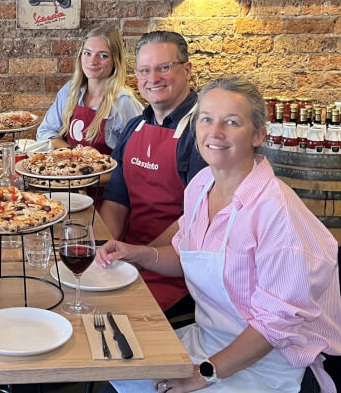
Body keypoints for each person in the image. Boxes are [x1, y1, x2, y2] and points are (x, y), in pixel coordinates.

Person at [97, 76, 341, 393]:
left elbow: (274, 326)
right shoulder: (201, 185)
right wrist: (137, 253)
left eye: (232, 122)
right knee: (114, 377)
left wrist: (203, 375)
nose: (215, 132)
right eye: (206, 119)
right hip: (209, 339)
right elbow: (186, 256)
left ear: (258, 134)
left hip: (271, 364)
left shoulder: (278, 214)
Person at [100, 30, 207, 323]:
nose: (153, 78)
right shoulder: (135, 126)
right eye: (145, 70)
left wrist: (142, 255)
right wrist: (103, 253)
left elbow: (196, 219)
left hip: (176, 269)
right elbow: (116, 199)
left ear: (186, 70)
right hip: (130, 258)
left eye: (164, 67)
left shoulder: (203, 132)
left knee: (117, 325)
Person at [37, 25, 143, 154]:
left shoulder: (125, 102)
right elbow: (45, 132)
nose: (92, 62)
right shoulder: (70, 91)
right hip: (71, 169)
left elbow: (139, 153)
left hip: (107, 173)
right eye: (87, 53)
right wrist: (75, 154)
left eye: (103, 56)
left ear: (116, 61)